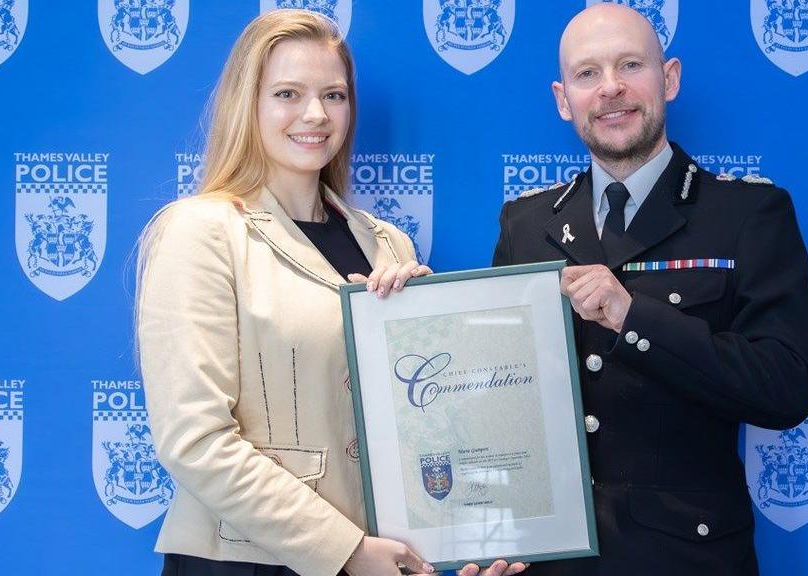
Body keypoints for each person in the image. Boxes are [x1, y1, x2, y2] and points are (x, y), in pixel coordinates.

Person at [136, 10, 525, 576]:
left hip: (377, 557)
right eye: (288, 93)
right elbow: (195, 441)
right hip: (249, 561)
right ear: (248, 103)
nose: (316, 114)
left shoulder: (389, 243)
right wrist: (344, 550)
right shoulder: (201, 231)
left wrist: (469, 535)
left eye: (334, 95)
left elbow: (430, 421)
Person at [492, 5, 808, 575]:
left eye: (630, 65)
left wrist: (632, 317)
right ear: (563, 98)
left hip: (685, 559)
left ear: (668, 78)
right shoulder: (525, 224)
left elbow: (786, 389)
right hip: (551, 561)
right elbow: (499, 402)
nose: (611, 88)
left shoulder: (748, 215)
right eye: (587, 73)